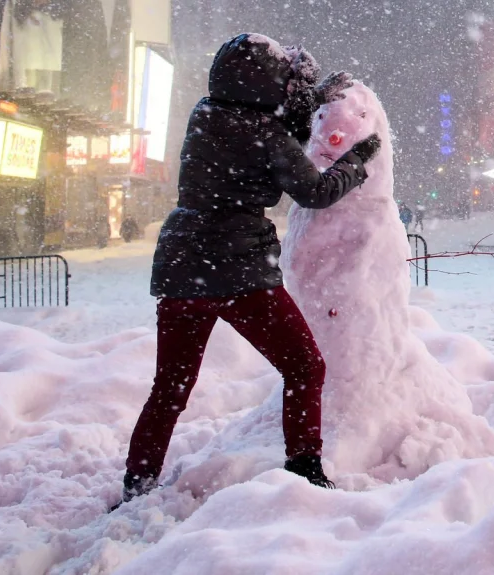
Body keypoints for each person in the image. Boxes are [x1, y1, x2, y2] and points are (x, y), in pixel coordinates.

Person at [118, 33, 381, 508]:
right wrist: (356, 162)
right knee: (304, 366)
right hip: (237, 268)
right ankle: (305, 468)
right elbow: (316, 191)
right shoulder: (267, 135)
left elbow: (258, 138)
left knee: (170, 386)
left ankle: (137, 482)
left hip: (182, 264)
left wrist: (300, 110)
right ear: (268, 84)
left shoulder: (205, 114)